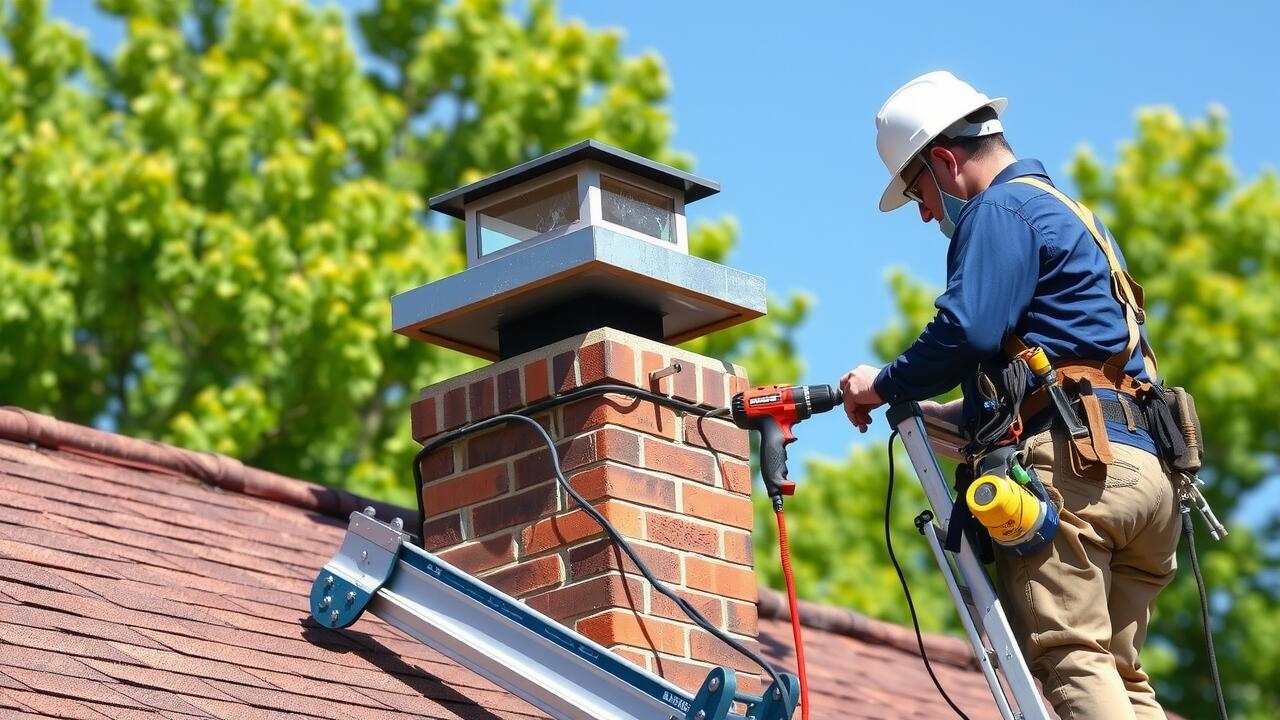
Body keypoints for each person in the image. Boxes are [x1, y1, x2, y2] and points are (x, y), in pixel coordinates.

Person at [839, 71, 1180, 719]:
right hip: (1145, 475)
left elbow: (967, 327)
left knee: (1070, 655)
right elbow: (1060, 366)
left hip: (1082, 469)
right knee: (1120, 675)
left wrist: (882, 384)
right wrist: (948, 417)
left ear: (945, 161)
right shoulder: (1072, 215)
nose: (925, 212)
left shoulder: (998, 210)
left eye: (918, 192)